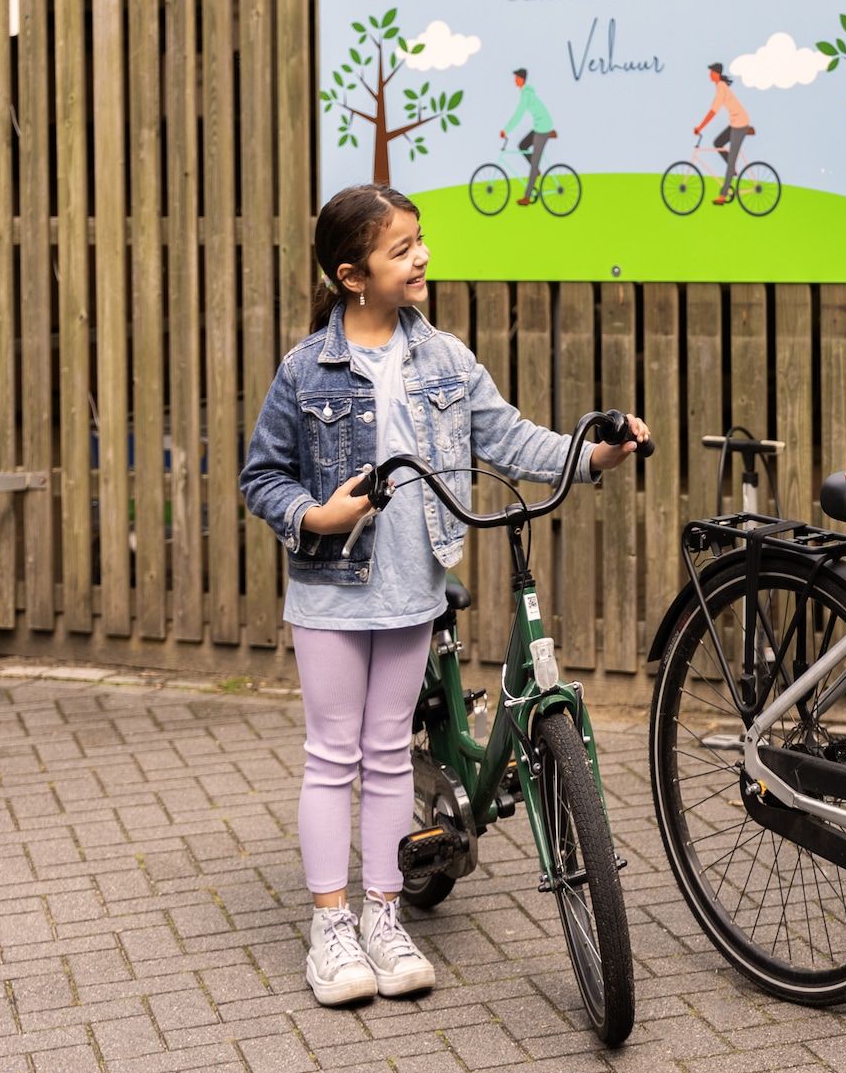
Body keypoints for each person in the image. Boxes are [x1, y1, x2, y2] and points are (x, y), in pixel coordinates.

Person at [239, 184, 648, 1009]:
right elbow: (263, 477)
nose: (421, 256)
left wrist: (593, 455)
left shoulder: (447, 361)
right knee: (333, 756)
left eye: (421, 240)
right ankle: (331, 928)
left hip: (413, 587)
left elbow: (511, 437)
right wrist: (317, 514)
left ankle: (386, 915)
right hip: (331, 590)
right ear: (354, 275)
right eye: (401, 249)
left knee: (389, 751)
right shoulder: (303, 369)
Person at [691, 62, 757, 205]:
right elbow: (714, 108)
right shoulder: (720, 87)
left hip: (739, 124)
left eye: (711, 72)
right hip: (735, 122)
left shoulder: (721, 87)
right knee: (717, 143)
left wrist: (700, 127)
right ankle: (732, 168)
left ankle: (723, 196)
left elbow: (713, 111)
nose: (709, 74)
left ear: (716, 74)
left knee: (731, 162)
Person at [499, 68, 558, 205]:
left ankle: (527, 197)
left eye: (517, 78)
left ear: (522, 79)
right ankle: (537, 168)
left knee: (534, 165)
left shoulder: (526, 95)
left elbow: (518, 115)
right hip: (539, 126)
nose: (515, 81)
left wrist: (506, 130)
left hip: (542, 128)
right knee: (522, 146)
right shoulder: (526, 93)